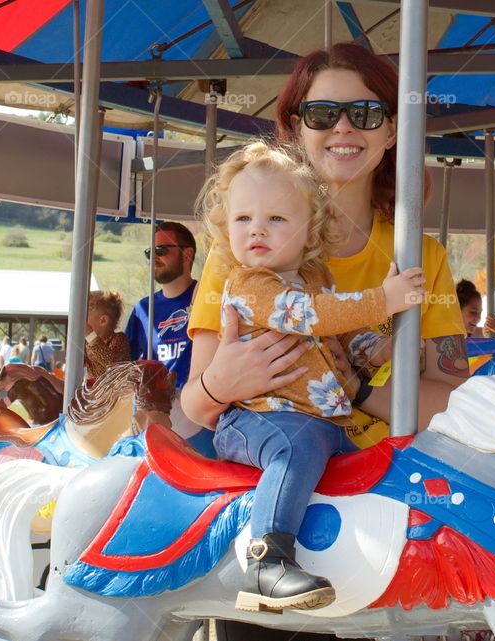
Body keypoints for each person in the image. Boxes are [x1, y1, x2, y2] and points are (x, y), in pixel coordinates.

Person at [182, 43, 468, 450]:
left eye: (365, 113)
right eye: (323, 114)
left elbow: (453, 403)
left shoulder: (423, 258)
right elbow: (195, 406)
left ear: (391, 131)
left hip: (381, 473)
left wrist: (358, 390)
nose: (343, 128)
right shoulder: (243, 246)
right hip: (272, 449)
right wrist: (219, 384)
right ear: (298, 128)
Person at [200, 139, 425, 613]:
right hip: (258, 419)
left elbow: (336, 345)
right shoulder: (250, 284)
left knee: (363, 457)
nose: (256, 229)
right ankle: (266, 559)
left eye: (276, 219)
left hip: (318, 420)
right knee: (295, 448)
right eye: (243, 219)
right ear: (226, 227)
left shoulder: (314, 280)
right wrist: (382, 299)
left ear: (310, 232)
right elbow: (313, 317)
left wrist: (382, 342)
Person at [125, 221, 203, 442]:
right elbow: (126, 363)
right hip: (156, 408)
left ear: (187, 254)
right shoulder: (143, 308)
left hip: (198, 409)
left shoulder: (207, 299)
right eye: (150, 252)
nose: (154, 258)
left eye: (161, 250)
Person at [85, 290, 131, 378]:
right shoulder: (87, 343)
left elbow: (111, 363)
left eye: (85, 319)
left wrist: (90, 335)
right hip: (93, 389)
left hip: (114, 390)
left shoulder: (119, 339)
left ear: (103, 320)